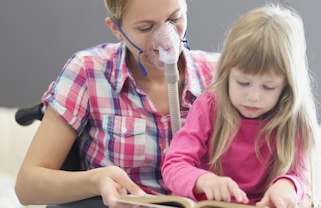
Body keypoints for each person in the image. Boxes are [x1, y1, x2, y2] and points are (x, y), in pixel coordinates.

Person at [14, 0, 218, 207]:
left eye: (174, 18)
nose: (166, 37)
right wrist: (96, 181)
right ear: (116, 29)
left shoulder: (223, 76)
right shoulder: (88, 71)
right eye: (145, 28)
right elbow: (26, 187)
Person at [162, 4, 321, 208]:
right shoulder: (209, 106)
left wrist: (286, 186)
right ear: (227, 73)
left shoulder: (292, 119)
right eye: (243, 83)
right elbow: (174, 165)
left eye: (268, 87)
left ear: (287, 87)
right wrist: (204, 181)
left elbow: (298, 174)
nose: (253, 96)